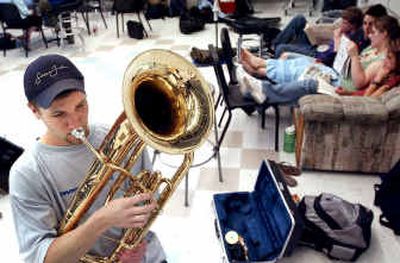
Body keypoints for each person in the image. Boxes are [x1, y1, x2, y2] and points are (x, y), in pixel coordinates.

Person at [9, 54, 167, 263]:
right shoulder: (28, 173)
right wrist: (102, 220)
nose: (75, 123)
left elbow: (148, 194)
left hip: (147, 255)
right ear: (34, 110)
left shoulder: (116, 135)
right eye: (59, 114)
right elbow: (41, 258)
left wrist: (136, 240)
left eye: (80, 106)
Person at [237, 15, 400, 104]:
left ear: (385, 34)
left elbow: (359, 83)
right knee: (301, 62)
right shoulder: (373, 48)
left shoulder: (383, 62)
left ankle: (260, 81)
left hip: (340, 84)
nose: (369, 34)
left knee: (304, 74)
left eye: (374, 31)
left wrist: (354, 56)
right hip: (337, 74)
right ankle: (258, 68)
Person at [272, 7, 364, 66]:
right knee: (299, 19)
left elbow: (336, 59)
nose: (341, 25)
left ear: (353, 25)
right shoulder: (346, 30)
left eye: (344, 23)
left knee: (281, 48)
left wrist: (337, 38)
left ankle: (274, 64)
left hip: (317, 56)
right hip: (317, 48)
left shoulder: (351, 40)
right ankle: (273, 47)